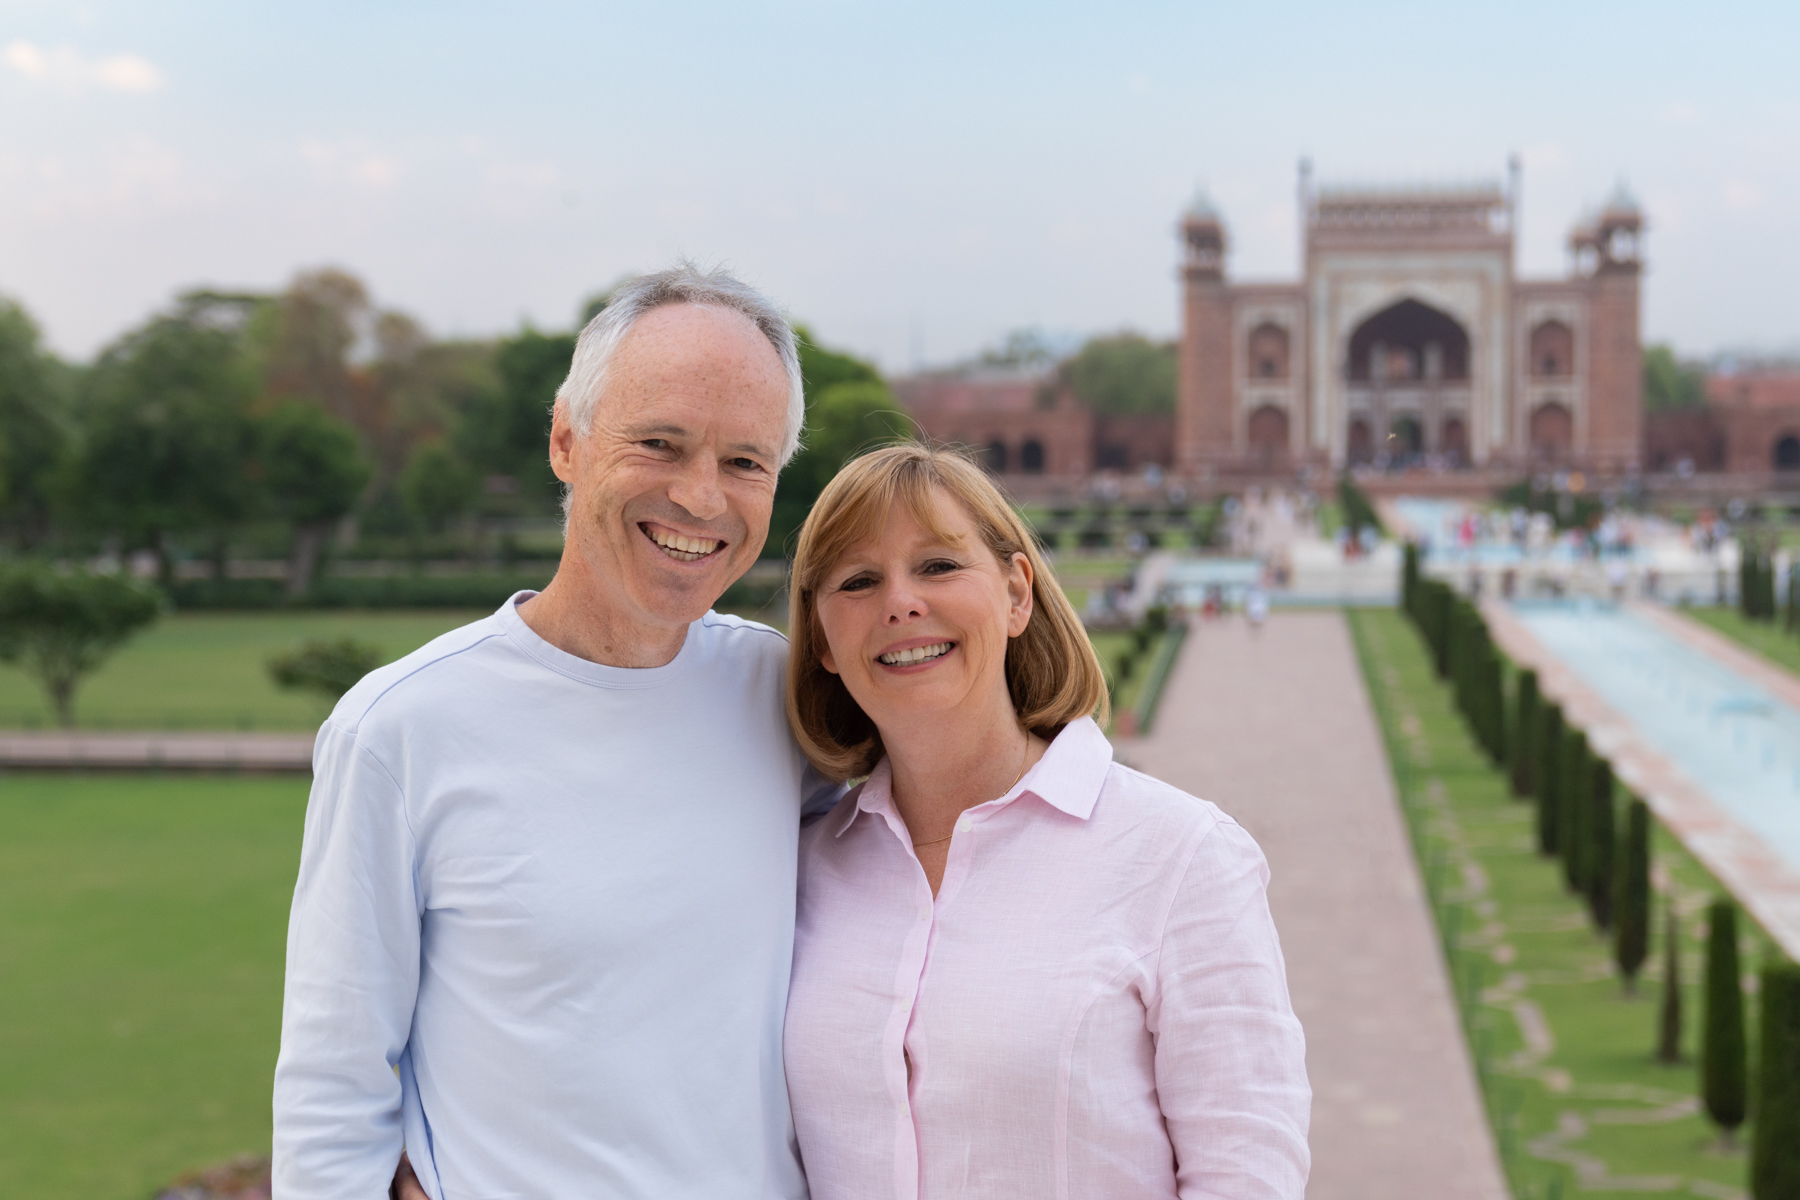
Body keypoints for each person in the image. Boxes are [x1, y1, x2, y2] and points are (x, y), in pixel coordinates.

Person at [274, 264, 833, 1200]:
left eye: (746, 462)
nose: (703, 498)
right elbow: (332, 1090)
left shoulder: (784, 696)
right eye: (659, 444)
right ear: (566, 441)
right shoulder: (400, 729)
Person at [781, 444, 1311, 1199]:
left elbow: (1246, 1175)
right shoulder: (802, 871)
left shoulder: (1179, 857)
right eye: (858, 581)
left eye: (938, 565)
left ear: (1016, 594)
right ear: (824, 641)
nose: (899, 602)